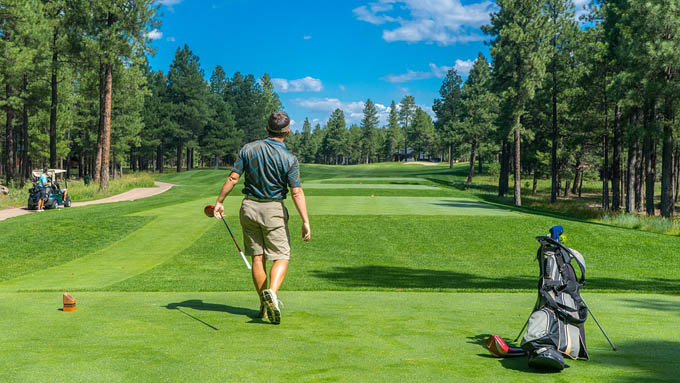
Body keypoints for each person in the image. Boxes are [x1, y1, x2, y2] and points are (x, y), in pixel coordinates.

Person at [213, 111, 310, 325]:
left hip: (248, 207)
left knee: (258, 258)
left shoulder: (248, 149)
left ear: (267, 128)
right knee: (282, 256)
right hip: (273, 209)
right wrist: (305, 221)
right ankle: (272, 295)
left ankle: (264, 306)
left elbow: (233, 177)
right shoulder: (290, 159)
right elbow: (296, 192)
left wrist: (220, 201)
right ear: (288, 132)